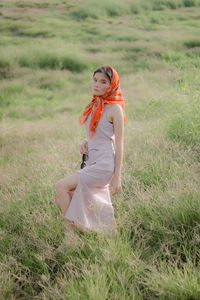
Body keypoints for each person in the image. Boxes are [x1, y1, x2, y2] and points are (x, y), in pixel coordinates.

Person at [55, 65, 127, 236]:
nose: (97, 85)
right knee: (92, 200)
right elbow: (99, 133)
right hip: (92, 161)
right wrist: (86, 141)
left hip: (104, 165)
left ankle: (70, 236)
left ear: (112, 85)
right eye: (95, 80)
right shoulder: (94, 105)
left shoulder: (115, 108)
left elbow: (119, 143)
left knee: (61, 186)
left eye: (103, 82)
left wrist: (117, 177)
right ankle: (110, 235)